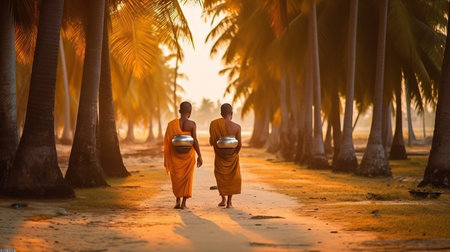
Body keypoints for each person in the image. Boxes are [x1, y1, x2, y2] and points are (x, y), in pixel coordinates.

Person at [164, 101, 203, 209]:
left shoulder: (171, 124)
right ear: (189, 112)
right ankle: (184, 204)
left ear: (180, 111)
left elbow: (169, 140)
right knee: (187, 178)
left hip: (175, 155)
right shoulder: (192, 124)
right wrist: (199, 155)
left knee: (176, 177)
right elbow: (194, 140)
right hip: (188, 156)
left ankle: (177, 201)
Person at [209, 103, 242, 208]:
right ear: (231, 114)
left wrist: (219, 150)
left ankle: (223, 198)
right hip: (232, 156)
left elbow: (213, 141)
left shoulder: (214, 124)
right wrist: (235, 153)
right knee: (232, 178)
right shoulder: (237, 127)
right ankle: (229, 202)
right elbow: (239, 144)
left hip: (220, 154)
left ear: (221, 114)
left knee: (221, 176)